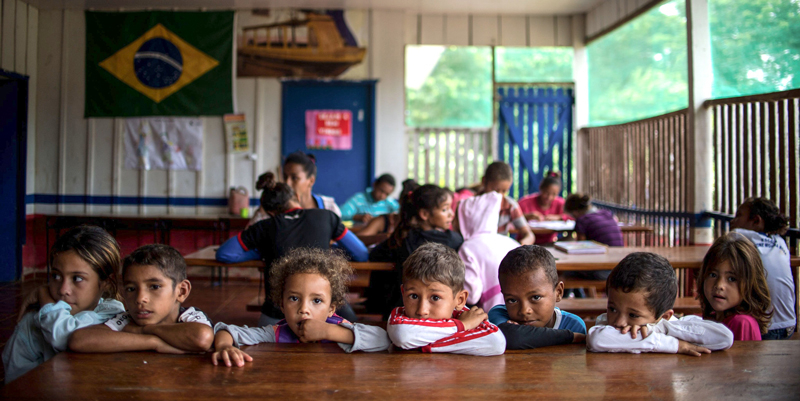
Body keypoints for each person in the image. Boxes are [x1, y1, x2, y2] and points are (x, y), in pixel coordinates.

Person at [216, 172, 368, 326]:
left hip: (278, 312)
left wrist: (263, 252)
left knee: (266, 341)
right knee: (353, 326)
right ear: (296, 196)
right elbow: (361, 253)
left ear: (269, 212)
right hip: (323, 306)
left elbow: (225, 254)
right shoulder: (326, 217)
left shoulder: (265, 227)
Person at [211, 248, 391, 366]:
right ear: (282, 304)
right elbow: (226, 330)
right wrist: (224, 346)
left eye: (317, 301)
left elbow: (384, 339)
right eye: (294, 298)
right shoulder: (276, 333)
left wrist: (329, 332)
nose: (303, 309)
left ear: (331, 308)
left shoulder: (340, 329)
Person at [2, 226, 126, 383]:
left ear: (106, 283)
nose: (63, 290)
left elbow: (63, 336)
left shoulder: (112, 314)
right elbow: (15, 384)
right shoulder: (32, 323)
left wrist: (44, 295)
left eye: (77, 278)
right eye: (56, 276)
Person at [68, 244, 214, 353]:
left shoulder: (189, 317)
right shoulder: (126, 319)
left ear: (181, 291)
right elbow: (79, 340)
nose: (140, 299)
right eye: (131, 289)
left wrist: (143, 330)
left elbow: (202, 338)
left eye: (154, 287)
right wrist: (153, 342)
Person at [587, 252, 734, 355]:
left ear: (664, 316)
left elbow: (724, 338)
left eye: (633, 315)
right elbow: (596, 339)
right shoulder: (605, 324)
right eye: (612, 309)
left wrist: (659, 328)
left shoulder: (672, 325)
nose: (618, 321)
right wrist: (674, 345)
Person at [386, 243, 506, 356]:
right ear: (403, 293)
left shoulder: (464, 314)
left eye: (435, 297)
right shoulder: (399, 316)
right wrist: (462, 325)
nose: (422, 310)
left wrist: (423, 345)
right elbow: (403, 335)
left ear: (459, 300)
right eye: (414, 296)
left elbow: (496, 342)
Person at [366, 184, 463, 317]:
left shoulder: (401, 236)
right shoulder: (453, 240)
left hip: (398, 309)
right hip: (438, 311)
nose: (451, 214)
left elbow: (374, 255)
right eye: (445, 209)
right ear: (424, 214)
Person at [488, 245, 586, 350]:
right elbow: (513, 338)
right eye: (512, 300)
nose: (524, 310)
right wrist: (570, 336)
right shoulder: (498, 314)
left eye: (535, 297)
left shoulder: (573, 325)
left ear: (558, 292)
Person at [730, 197, 795, 340]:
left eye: (739, 216)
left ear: (756, 221)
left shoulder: (737, 236)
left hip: (765, 327)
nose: (733, 221)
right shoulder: (780, 242)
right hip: (789, 325)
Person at [695, 232, 772, 341]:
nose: (719, 285)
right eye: (713, 275)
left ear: (750, 284)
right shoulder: (715, 316)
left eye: (732, 279)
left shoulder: (742, 323)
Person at [453, 192, 520, 311]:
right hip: (522, 310)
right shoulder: (511, 243)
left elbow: (472, 295)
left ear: (466, 221)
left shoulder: (468, 248)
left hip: (494, 316)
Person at [247, 151, 341, 228]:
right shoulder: (273, 209)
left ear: (311, 181)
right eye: (285, 176)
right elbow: (248, 239)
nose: (287, 183)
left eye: (294, 178)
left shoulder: (328, 207)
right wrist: (263, 211)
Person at [561, 193, 623, 285]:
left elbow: (579, 248)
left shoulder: (583, 220)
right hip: (620, 268)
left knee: (568, 272)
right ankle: (584, 297)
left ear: (575, 213)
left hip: (603, 272)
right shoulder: (606, 213)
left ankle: (568, 298)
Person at [478, 162, 535, 245]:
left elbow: (529, 235)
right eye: (495, 190)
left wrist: (522, 244)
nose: (500, 195)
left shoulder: (510, 206)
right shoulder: (471, 205)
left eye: (504, 191)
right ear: (484, 181)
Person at [349, 180, 418, 237]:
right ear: (375, 185)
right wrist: (356, 217)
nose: (382, 196)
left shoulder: (391, 204)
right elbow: (341, 214)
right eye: (381, 191)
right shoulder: (358, 199)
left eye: (387, 194)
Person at [518, 171, 569, 244]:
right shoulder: (525, 203)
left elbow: (573, 216)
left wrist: (558, 217)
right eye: (546, 193)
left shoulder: (560, 203)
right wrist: (528, 216)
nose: (549, 197)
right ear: (540, 189)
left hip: (549, 244)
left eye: (554, 194)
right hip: (526, 244)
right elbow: (511, 217)